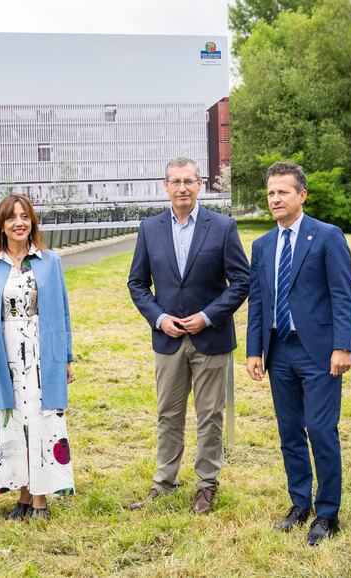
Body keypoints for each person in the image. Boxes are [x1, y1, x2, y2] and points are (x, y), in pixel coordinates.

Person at [127, 157, 250, 514]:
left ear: (200, 185)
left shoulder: (223, 227)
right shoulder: (149, 229)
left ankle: (206, 486)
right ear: (165, 186)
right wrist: (159, 318)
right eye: (176, 181)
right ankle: (164, 482)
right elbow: (137, 283)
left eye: (189, 181)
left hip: (211, 339)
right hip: (167, 339)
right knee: (168, 413)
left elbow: (241, 281)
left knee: (210, 415)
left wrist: (208, 316)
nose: (182, 187)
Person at [245, 161, 351, 546]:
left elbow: (343, 295)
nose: (275, 198)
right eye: (271, 192)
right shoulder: (262, 245)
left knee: (321, 430)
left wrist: (343, 346)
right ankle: (299, 503)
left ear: (302, 195)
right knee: (290, 432)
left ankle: (327, 513)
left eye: (283, 192)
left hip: (321, 353)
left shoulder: (327, 237)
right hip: (279, 353)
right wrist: (254, 350)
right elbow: (258, 302)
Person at [0, 194, 75, 520]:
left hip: (42, 353)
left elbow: (62, 311)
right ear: (1, 225)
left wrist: (67, 358)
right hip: (6, 355)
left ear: (32, 222)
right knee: (13, 420)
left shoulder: (49, 260)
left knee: (41, 419)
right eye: (11, 217)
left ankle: (40, 500)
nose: (19, 223)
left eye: (25, 217)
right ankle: (21, 496)